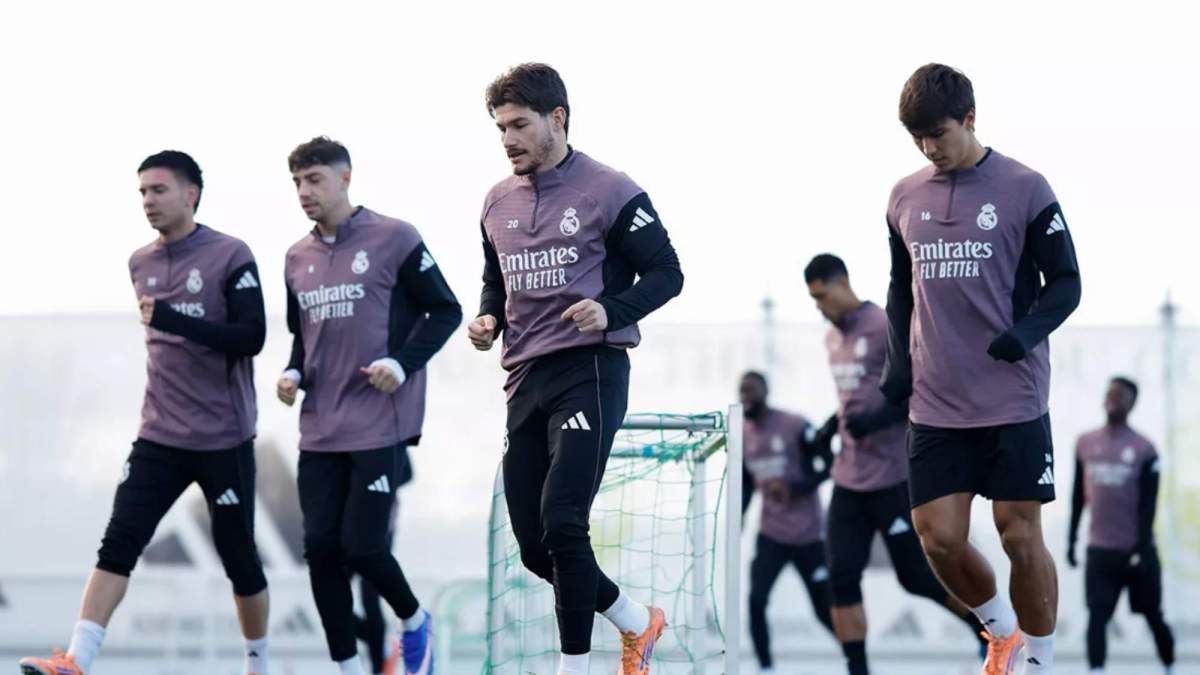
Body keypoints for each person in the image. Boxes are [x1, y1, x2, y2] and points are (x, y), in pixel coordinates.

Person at [468, 63, 684, 675]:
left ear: (556, 119)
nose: (507, 139)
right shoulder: (495, 202)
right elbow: (495, 281)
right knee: (537, 547)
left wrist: (609, 310)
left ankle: (575, 668)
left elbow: (668, 272)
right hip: (523, 380)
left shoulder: (609, 189)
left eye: (518, 125)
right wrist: (488, 319)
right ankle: (638, 624)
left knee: (565, 520)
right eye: (500, 128)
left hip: (590, 369)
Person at [20, 151, 270, 675]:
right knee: (119, 540)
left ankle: (257, 664)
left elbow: (252, 337)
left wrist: (177, 319)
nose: (149, 201)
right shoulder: (140, 262)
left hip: (222, 437)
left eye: (158, 190)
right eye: (142, 193)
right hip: (158, 434)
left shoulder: (230, 254)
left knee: (239, 558)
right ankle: (76, 660)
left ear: (191, 193)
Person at [881, 64, 1082, 674]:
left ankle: (1040, 663)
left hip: (1012, 399)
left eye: (938, 133)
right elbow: (899, 286)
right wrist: (898, 363)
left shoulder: (1025, 187)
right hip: (937, 402)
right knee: (936, 537)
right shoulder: (903, 196)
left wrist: (1023, 336)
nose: (928, 148)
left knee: (1019, 535)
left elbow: (1067, 284)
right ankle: (1002, 632)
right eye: (916, 137)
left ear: (969, 119)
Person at [278, 137, 462, 675]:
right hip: (318, 429)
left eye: (314, 179)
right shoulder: (295, 257)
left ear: (345, 177)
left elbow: (445, 310)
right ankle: (348, 668)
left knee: (362, 549)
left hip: (380, 425)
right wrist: (292, 372)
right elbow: (302, 337)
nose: (304, 192)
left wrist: (401, 364)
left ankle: (414, 621)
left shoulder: (394, 237)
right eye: (296, 183)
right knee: (320, 553)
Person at [805, 253, 987, 674]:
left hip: (893, 475)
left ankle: (987, 627)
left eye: (822, 295)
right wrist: (832, 426)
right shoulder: (832, 339)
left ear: (843, 282)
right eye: (812, 299)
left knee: (918, 577)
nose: (819, 306)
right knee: (841, 577)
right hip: (849, 478)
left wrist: (882, 417)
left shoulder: (884, 324)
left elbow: (921, 386)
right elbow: (854, 396)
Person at [1067, 377, 1175, 674]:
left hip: (1137, 550)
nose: (1113, 399)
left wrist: (1140, 550)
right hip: (1100, 550)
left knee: (1153, 614)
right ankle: (1097, 669)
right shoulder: (1085, 443)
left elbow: (1148, 505)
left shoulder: (1145, 448)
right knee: (1097, 615)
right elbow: (1077, 496)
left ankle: (1170, 666)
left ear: (1132, 403)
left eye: (1121, 396)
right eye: (1110, 394)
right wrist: (1071, 540)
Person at [738, 371, 836, 674]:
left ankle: (855, 660)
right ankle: (766, 668)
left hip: (808, 534)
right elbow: (745, 485)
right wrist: (738, 520)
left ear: (766, 391)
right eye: (741, 391)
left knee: (823, 610)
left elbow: (828, 464)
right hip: (771, 535)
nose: (746, 397)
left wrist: (795, 487)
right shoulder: (742, 433)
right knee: (756, 601)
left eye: (751, 390)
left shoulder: (794, 425)